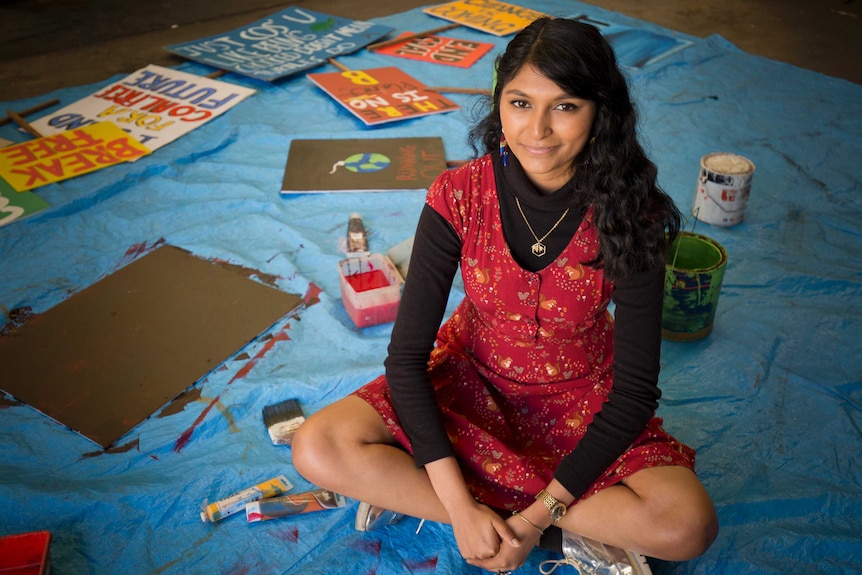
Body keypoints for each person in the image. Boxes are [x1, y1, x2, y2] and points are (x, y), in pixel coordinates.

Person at [292, 17, 718, 574]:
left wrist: (531, 521)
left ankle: (437, 494)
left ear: (601, 113)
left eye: (564, 106)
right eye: (520, 103)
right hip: (472, 378)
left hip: (581, 398)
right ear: (499, 104)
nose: (536, 129)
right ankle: (514, 520)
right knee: (316, 446)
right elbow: (405, 359)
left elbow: (635, 395)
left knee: (686, 527)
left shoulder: (634, 215)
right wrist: (461, 510)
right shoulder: (458, 194)